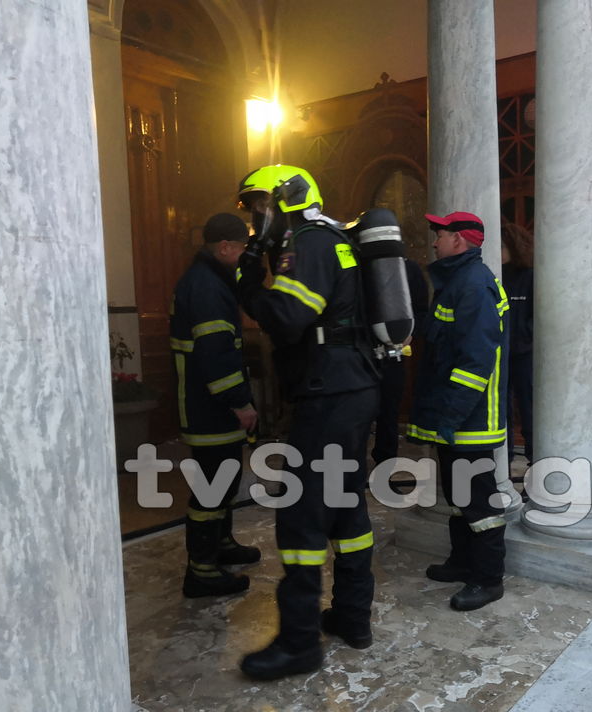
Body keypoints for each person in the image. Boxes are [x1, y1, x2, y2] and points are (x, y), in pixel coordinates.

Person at [233, 165, 381, 680]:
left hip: (329, 395)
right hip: (351, 387)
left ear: (286, 199)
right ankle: (351, 617)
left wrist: (252, 285)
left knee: (301, 515)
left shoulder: (309, 242)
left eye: (259, 207)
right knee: (344, 505)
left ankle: (299, 645)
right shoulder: (336, 238)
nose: (256, 220)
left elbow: (289, 317)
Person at [406, 211, 510, 611]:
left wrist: (448, 418)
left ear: (459, 241)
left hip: (470, 421)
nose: (434, 242)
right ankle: (463, 561)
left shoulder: (473, 286)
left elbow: (475, 363)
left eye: (441, 235)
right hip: (457, 419)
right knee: (458, 496)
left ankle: (488, 579)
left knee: (479, 503)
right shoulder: (457, 282)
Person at [169, 213, 261, 599]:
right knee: (211, 488)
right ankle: (202, 571)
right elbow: (216, 354)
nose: (241, 256)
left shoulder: (209, 279)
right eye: (240, 249)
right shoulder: (206, 287)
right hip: (209, 407)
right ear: (224, 247)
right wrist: (240, 402)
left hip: (210, 405)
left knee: (224, 481)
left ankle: (221, 546)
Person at [370, 256, 428, 465]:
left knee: (388, 416)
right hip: (359, 356)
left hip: (393, 356)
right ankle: (350, 473)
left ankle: (385, 468)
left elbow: (422, 311)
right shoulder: (359, 265)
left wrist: (411, 332)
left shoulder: (409, 268)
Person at [500, 221, 534, 464]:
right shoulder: (494, 276)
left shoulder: (529, 276)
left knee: (529, 409)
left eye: (502, 246)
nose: (498, 251)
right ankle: (505, 460)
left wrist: (525, 336)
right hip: (500, 353)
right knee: (502, 411)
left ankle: (536, 460)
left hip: (525, 354)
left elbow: (538, 315)